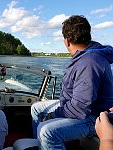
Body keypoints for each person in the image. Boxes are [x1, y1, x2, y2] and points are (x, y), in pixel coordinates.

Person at [31, 15, 113, 150]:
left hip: (95, 117)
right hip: (82, 107)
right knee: (36, 108)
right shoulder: (86, 55)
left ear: (67, 41)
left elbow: (81, 108)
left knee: (47, 132)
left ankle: (46, 142)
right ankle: (39, 145)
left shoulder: (89, 62)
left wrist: (53, 115)